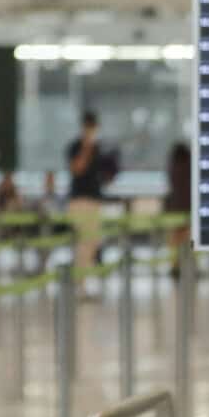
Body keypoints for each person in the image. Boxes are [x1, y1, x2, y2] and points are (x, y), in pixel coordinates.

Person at [64, 110, 117, 293]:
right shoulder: (75, 147)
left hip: (95, 201)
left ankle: (81, 282)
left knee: (92, 242)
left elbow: (107, 176)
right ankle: (79, 284)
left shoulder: (100, 149)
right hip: (79, 201)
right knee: (84, 242)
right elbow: (77, 169)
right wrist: (86, 147)